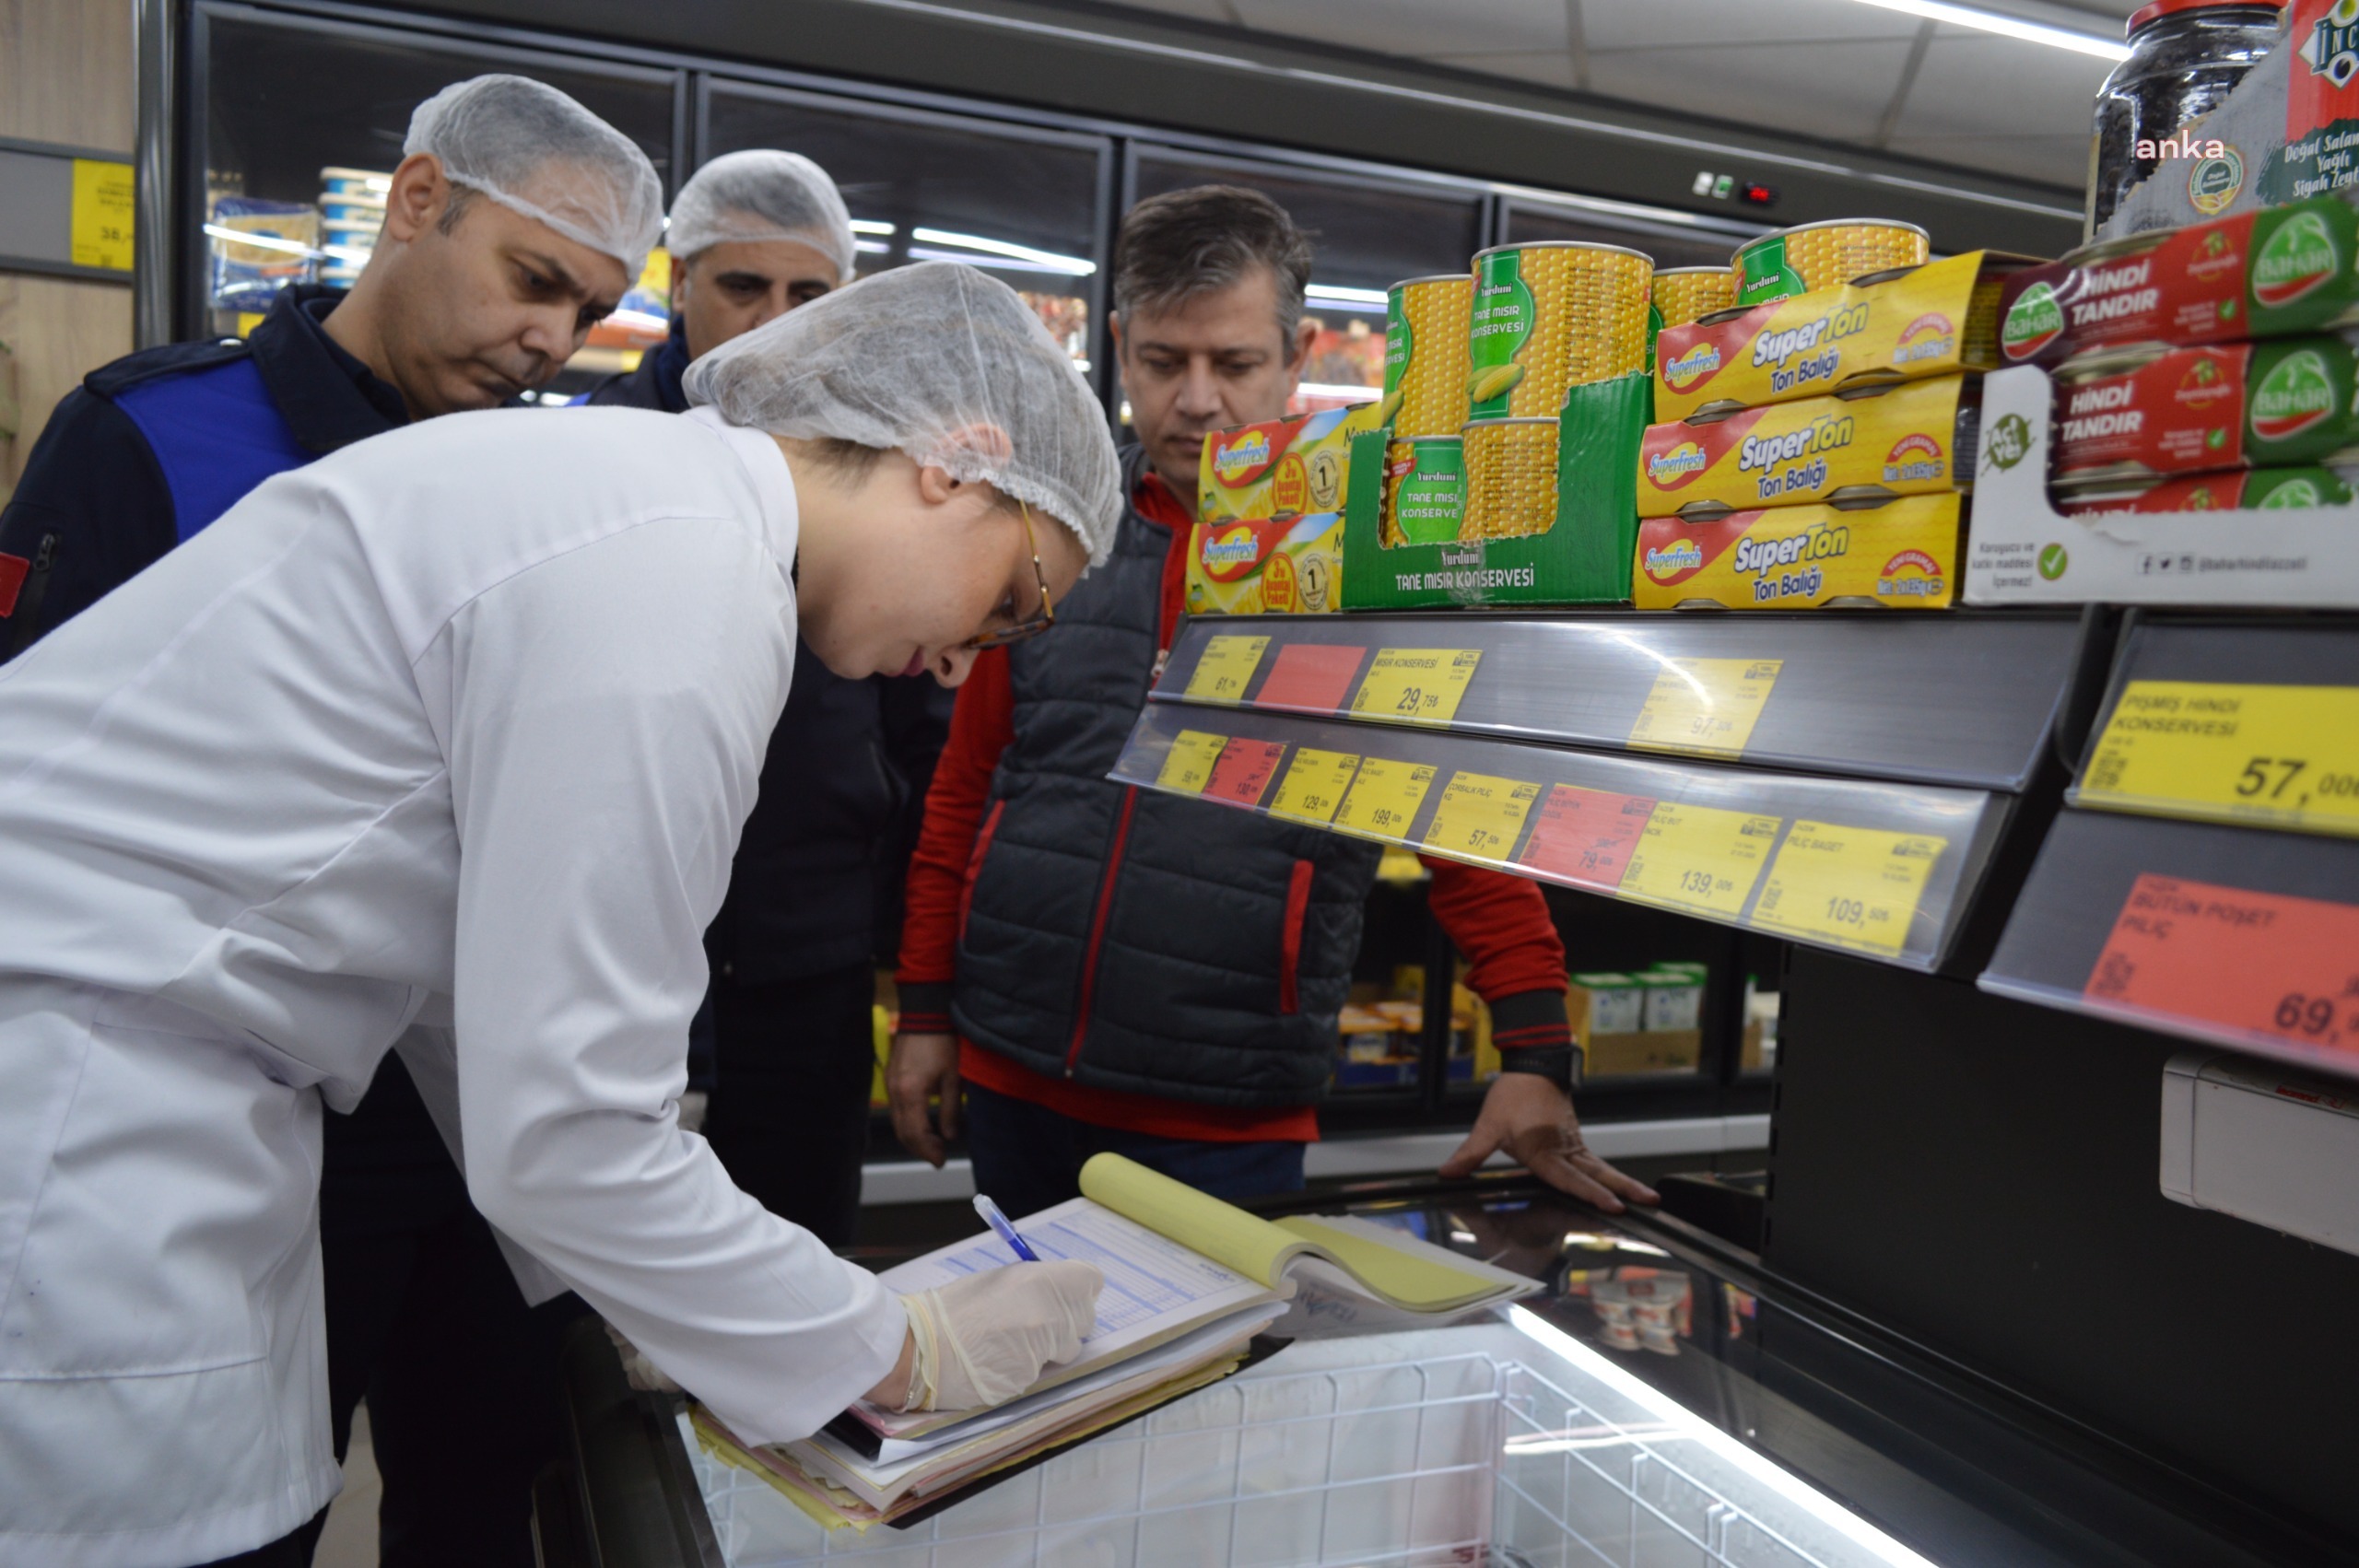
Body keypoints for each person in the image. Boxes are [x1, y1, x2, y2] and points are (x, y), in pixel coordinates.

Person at [0, 260, 1114, 1568]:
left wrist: (667, 1289)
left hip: (138, 1076)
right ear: (956, 462)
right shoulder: (682, 576)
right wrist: (891, 1344)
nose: (968, 657)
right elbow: (573, 1128)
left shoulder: (636, 501)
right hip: (81, 1111)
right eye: (1013, 599)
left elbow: (478, 1014)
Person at [0, 74, 665, 1567]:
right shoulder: (152, 439)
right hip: (229, 1106)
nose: (555, 339)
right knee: (263, 1493)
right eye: (535, 280)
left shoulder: (533, 489)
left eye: (591, 310)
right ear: (419, 202)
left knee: (486, 1486)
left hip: (470, 1113)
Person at [887, 186, 1662, 1219]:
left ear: (1296, 358)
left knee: (1208, 1384)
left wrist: (1534, 1045)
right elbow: (967, 789)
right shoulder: (1053, 531)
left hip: (1224, 1110)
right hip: (1010, 1067)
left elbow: (1458, 816)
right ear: (1118, 347)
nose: (1196, 401)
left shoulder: (1368, 565)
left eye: (1235, 364)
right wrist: (925, 1010)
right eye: (1163, 362)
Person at [581, 150, 951, 1248]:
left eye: (809, 295)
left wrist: (907, 962)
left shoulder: (884, 477)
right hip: (621, 952)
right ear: (678, 278)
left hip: (808, 965)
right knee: (597, 1277)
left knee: (794, 1241)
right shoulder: (596, 454)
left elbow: (921, 732)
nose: (772, 321)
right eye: (743, 287)